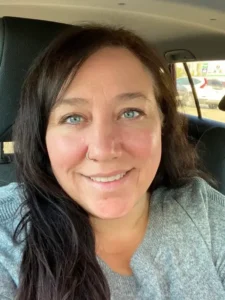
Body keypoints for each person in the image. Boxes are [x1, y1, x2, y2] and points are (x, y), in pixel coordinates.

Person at [0, 24, 225, 300]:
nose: (104, 150)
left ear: (164, 123)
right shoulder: (7, 237)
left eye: (130, 112)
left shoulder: (203, 213)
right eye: (73, 117)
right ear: (42, 136)